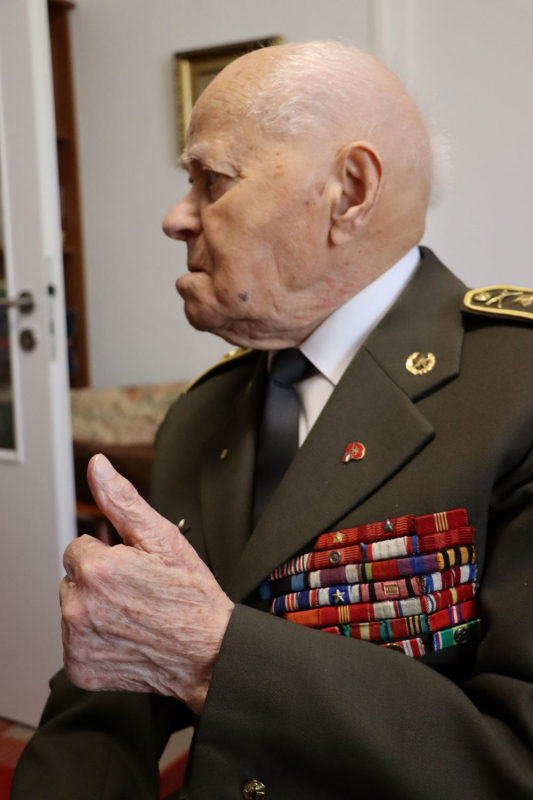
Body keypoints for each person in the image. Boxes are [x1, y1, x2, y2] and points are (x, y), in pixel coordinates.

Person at [12, 41, 533, 800]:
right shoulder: (202, 415)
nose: (176, 218)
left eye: (211, 180)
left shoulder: (514, 390)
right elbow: (110, 689)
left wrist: (215, 658)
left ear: (348, 192)